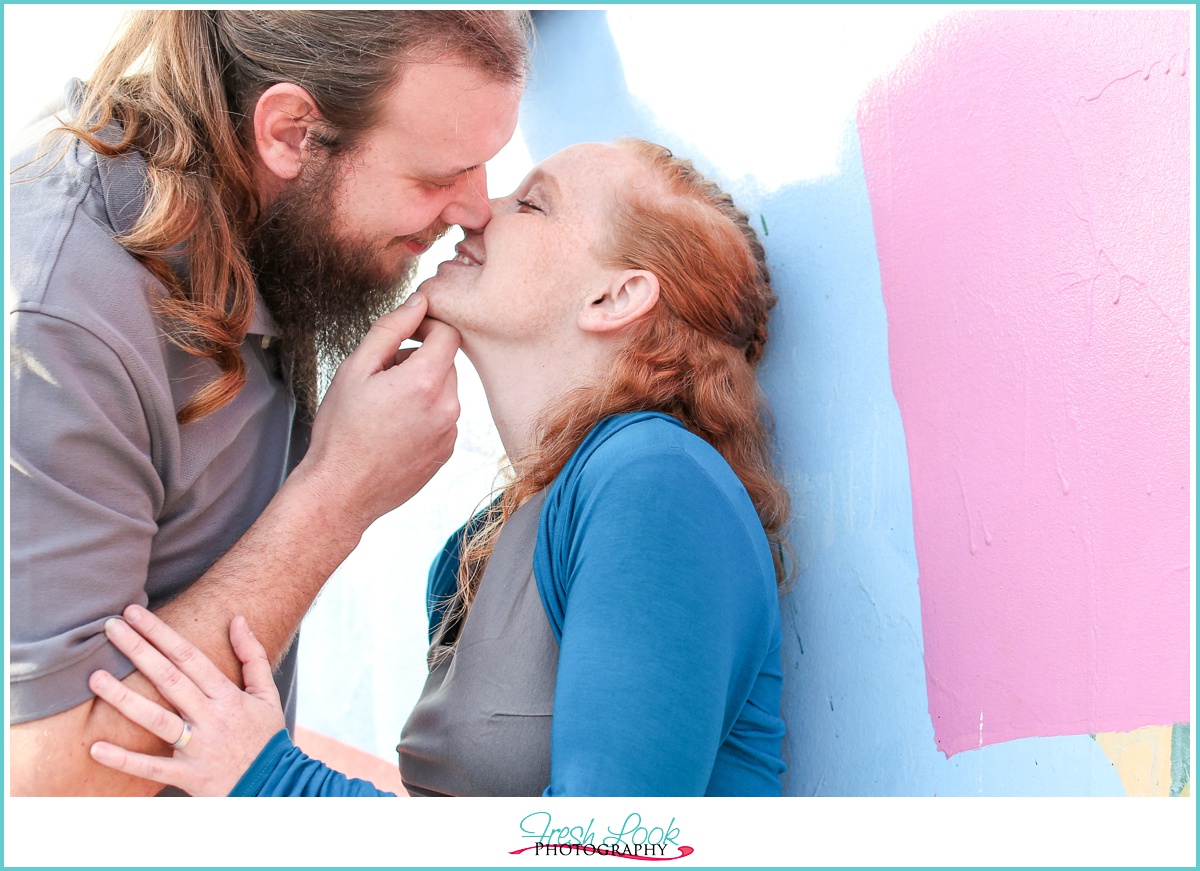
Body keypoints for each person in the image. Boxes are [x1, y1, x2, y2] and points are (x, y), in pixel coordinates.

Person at [87, 139, 792, 796]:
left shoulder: (658, 483)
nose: (480, 210)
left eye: (533, 202)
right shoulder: (475, 545)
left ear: (615, 297)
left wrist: (273, 781)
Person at [8, 9, 531, 796]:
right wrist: (340, 492)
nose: (475, 210)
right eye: (434, 177)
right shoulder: (61, 322)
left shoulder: (278, 215)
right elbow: (47, 785)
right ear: (289, 132)